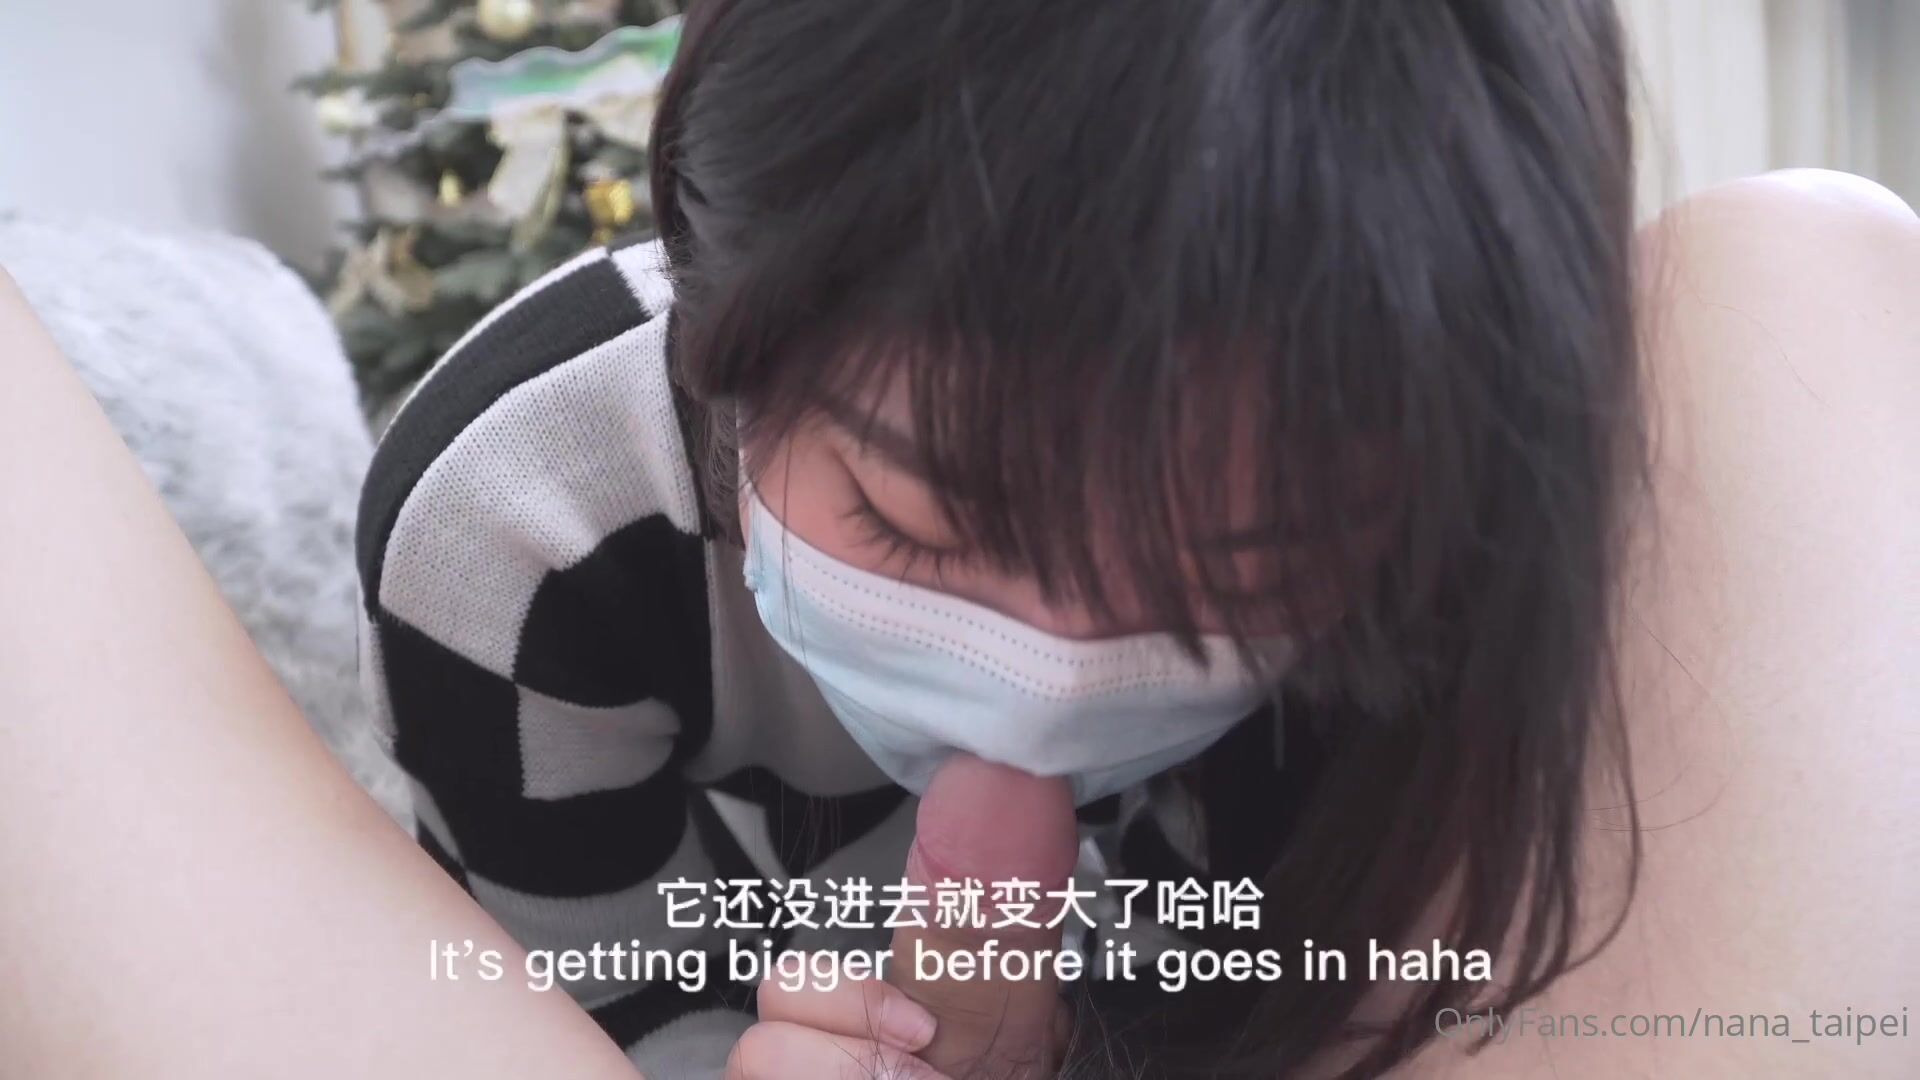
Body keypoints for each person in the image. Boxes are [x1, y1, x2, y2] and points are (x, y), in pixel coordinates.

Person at [1, 4, 1914, 1080]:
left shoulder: (1439, 535)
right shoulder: (523, 517)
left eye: (1233, 584)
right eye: (916, 520)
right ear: (727, 330)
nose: (1056, 672)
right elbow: (578, 975)